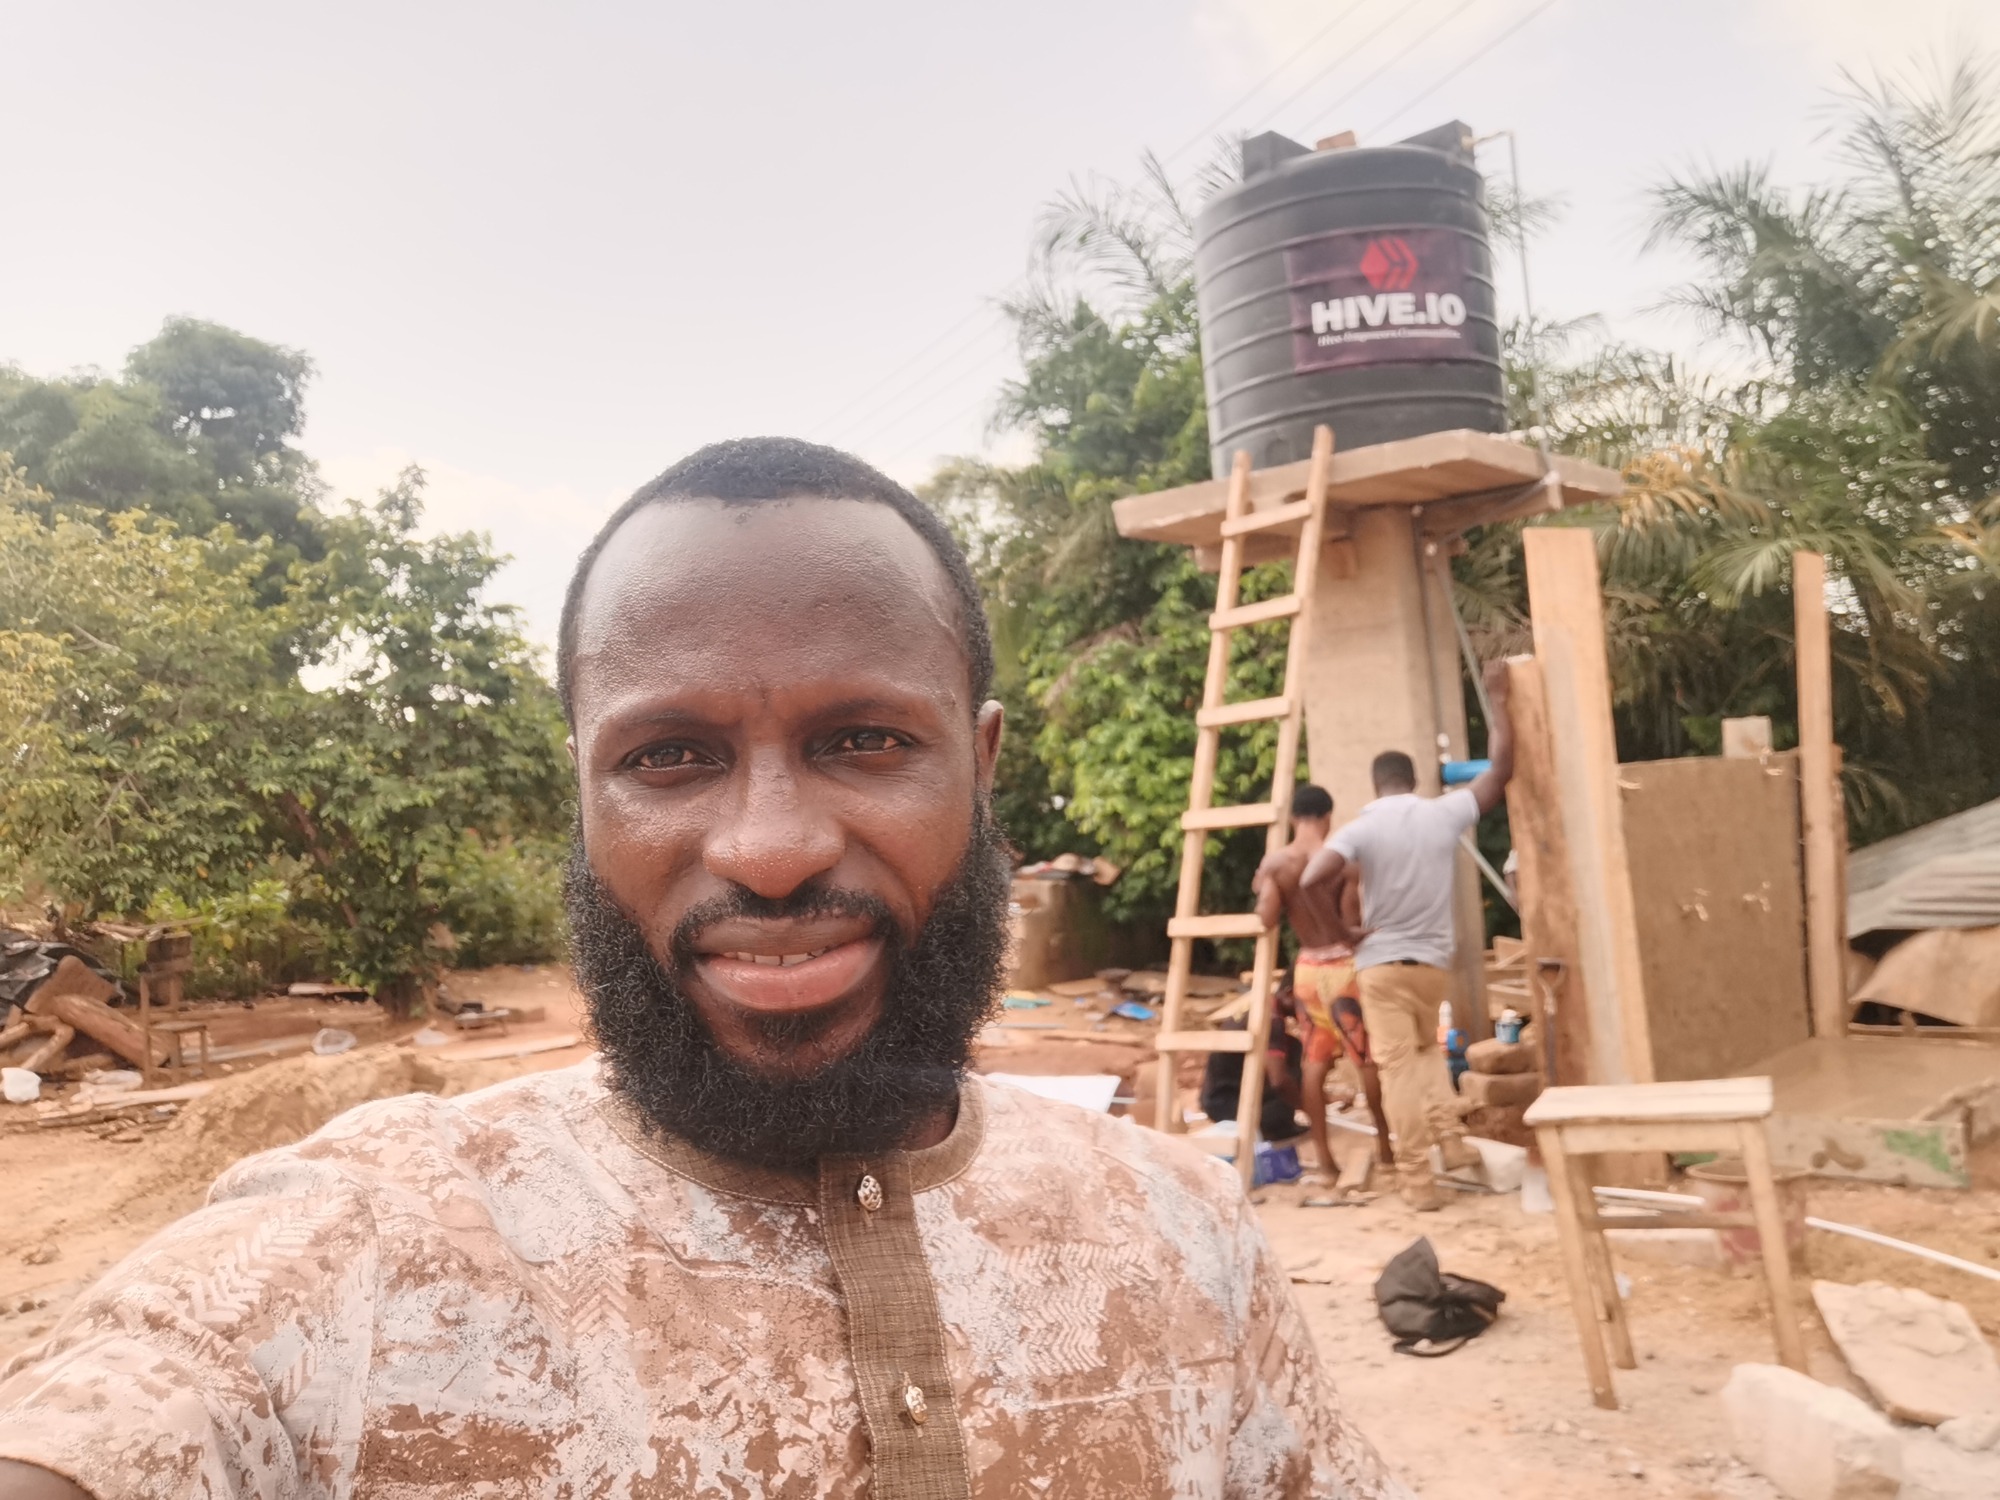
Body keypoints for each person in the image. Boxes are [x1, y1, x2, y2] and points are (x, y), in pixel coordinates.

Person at [0, 439, 1407, 1500]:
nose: (773, 849)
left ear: (978, 768)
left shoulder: (1186, 1232)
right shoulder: (359, 1248)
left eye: (865, 740)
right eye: (668, 755)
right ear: (582, 790)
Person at [1298, 661, 1515, 1212]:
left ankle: (1419, 1181)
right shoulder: (1441, 814)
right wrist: (1498, 700)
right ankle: (1453, 1144)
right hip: (1433, 965)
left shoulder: (1362, 828)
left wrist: (1343, 933)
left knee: (1398, 1073)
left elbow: (1311, 878)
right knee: (1426, 1056)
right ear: (1413, 782)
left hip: (1382, 966)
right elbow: (1500, 770)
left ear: (1376, 786)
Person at [1253, 785, 1390, 1186]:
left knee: (1314, 1063)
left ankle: (1326, 1163)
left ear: (1294, 818)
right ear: (1327, 817)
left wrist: (1262, 885)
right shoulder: (1342, 861)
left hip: (1308, 971)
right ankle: (1386, 1149)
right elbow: (1351, 920)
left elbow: (1266, 918)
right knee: (1364, 1058)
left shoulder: (1277, 864)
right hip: (1344, 968)